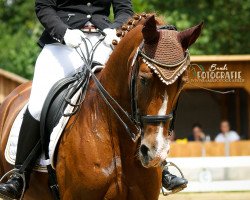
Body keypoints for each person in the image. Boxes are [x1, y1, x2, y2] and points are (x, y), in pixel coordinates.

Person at [0, 1, 186, 199]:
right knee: (37, 105)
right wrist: (63, 32)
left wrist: (114, 28)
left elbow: (124, 8)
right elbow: (44, 7)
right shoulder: (62, 36)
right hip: (61, 44)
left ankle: (160, 165)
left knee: (132, 93)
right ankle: (20, 174)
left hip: (104, 42)